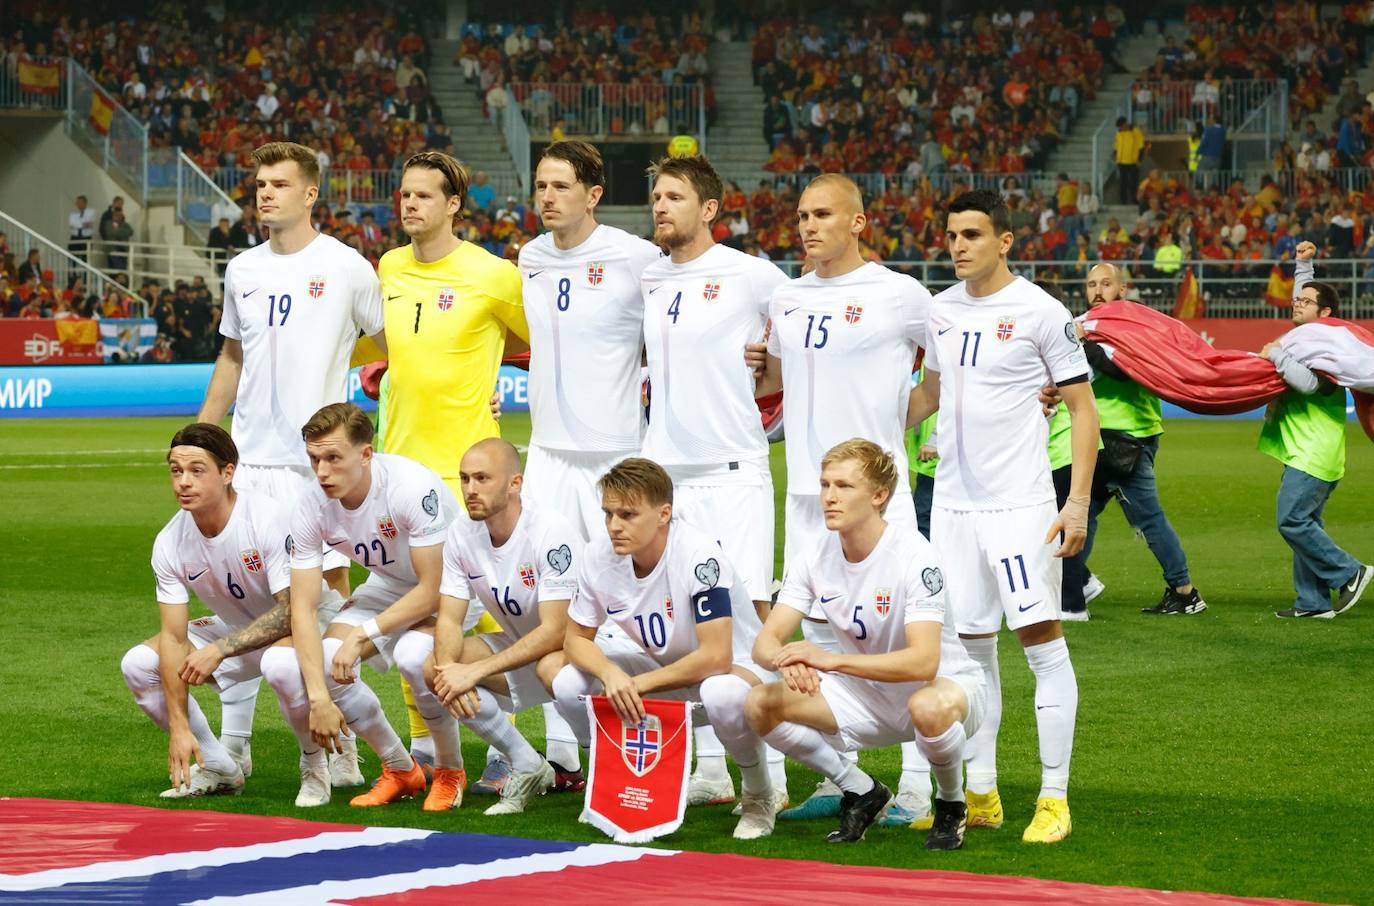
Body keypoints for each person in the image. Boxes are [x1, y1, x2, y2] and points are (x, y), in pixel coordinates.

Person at [905, 189, 1098, 844]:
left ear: (1006, 240)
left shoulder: (1042, 313)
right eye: (952, 234)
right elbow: (931, 390)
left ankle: (1053, 796)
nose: (958, 245)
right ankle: (981, 792)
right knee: (965, 651)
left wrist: (1076, 504)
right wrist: (876, 426)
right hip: (953, 509)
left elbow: (1083, 410)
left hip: (1019, 506)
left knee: (1041, 646)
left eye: (972, 234)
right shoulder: (940, 311)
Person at [197, 141, 386, 789]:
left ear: (311, 194)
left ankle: (344, 746)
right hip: (249, 467)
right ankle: (234, 751)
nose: (264, 193)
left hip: (319, 469)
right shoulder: (242, 269)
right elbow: (232, 358)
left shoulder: (347, 267)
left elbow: (391, 348)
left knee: (329, 605)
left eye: (279, 183)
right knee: (241, 609)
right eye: (258, 183)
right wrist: (204, 439)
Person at [749, 174, 936, 827]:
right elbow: (772, 375)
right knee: (817, 641)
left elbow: (937, 379)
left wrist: (893, 430)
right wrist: (757, 364)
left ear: (859, 222)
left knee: (896, 631)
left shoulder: (901, 294)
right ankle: (842, 778)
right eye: (802, 215)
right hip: (807, 493)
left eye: (823, 214)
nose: (808, 226)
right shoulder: (787, 296)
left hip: (878, 499)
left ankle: (918, 785)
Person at [503, 141, 661, 794]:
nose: (547, 196)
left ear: (593, 195)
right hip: (547, 455)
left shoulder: (636, 258)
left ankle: (663, 744)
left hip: (616, 457)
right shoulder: (529, 258)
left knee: (623, 602)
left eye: (561, 186)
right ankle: (565, 753)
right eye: (540, 185)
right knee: (547, 596)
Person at [640, 155, 790, 807]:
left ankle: (774, 776)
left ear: (710, 210)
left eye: (674, 196)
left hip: (733, 475)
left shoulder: (753, 275)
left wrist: (771, 368)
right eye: (656, 196)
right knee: (686, 623)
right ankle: (707, 770)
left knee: (752, 618)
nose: (660, 206)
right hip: (666, 480)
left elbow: (801, 353)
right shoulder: (646, 277)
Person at [746, 440, 985, 849]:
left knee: (927, 706)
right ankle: (860, 789)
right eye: (824, 485)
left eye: (843, 486)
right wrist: (787, 661)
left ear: (879, 496)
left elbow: (923, 663)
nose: (829, 497)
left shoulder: (914, 555)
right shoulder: (813, 556)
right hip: (864, 696)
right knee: (758, 703)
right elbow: (765, 642)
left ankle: (950, 802)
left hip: (942, 688)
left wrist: (827, 661)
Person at [376, 150, 528, 772]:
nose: (409, 205)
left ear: (453, 205)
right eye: (404, 195)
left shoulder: (492, 275)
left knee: (477, 618)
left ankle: (501, 742)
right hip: (399, 471)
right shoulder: (387, 266)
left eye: (422, 196)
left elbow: (534, 340)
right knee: (414, 627)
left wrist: (500, 373)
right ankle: (425, 745)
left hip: (465, 477)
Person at [550, 458, 782, 840]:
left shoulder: (698, 555)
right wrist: (611, 674)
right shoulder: (597, 556)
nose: (614, 526)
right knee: (568, 682)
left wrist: (637, 684)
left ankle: (759, 794)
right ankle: (608, 783)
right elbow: (574, 638)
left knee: (720, 691)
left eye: (627, 514)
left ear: (664, 514)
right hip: (668, 669)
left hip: (740, 671)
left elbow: (716, 657)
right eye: (608, 513)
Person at [272, 402, 483, 811]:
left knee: (412, 656)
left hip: (453, 589)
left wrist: (365, 635)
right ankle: (401, 768)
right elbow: (302, 606)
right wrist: (318, 698)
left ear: (366, 454)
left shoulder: (409, 487)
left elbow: (432, 587)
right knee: (331, 659)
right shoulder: (309, 505)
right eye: (314, 458)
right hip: (387, 586)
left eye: (334, 458)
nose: (322, 471)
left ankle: (450, 771)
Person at [120, 424, 336, 805]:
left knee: (281, 664)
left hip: (312, 627)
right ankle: (219, 765)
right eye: (176, 471)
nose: (183, 482)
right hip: (240, 632)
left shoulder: (267, 517)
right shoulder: (170, 541)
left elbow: (292, 612)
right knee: (138, 663)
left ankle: (315, 767)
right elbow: (173, 637)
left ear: (228, 472)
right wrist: (179, 726)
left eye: (197, 470)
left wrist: (219, 649)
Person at [425, 439, 638, 813]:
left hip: (582, 650)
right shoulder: (461, 532)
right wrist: (448, 674)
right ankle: (526, 764)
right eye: (464, 479)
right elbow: (449, 617)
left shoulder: (549, 531)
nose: (470, 489)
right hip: (520, 647)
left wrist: (473, 671)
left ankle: (609, 770)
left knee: (552, 667)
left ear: (514, 483)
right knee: (432, 667)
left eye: (482, 478)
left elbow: (557, 631)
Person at [1079, 264, 1205, 615]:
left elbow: (1124, 370)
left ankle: (1185, 591)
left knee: (1147, 518)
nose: (1098, 290)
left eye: (1106, 283)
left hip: (1128, 439)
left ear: (1122, 288)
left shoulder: (1132, 325)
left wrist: (1083, 346)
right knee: (1082, 513)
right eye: (1092, 284)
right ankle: (1072, 583)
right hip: (1106, 437)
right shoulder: (1090, 324)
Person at [1260, 241, 1372, 618]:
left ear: (1325, 313)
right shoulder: (1317, 341)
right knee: (1306, 523)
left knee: (1290, 520)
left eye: (1306, 302)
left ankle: (1349, 571)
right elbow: (1308, 305)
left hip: (1313, 452)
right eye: (1298, 300)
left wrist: (1276, 353)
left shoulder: (1327, 348)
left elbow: (1309, 384)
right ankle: (1312, 602)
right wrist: (1303, 266)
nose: (1297, 303)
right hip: (1310, 450)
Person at [1113, 117, 1145, 206]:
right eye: (1119, 127)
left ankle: (1134, 200)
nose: (1121, 128)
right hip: (1121, 161)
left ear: (1125, 124)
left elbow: (1141, 146)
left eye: (1122, 126)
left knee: (1133, 182)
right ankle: (1123, 201)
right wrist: (1115, 154)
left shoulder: (1135, 131)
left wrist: (1139, 159)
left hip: (1133, 161)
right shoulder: (1118, 133)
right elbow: (1116, 145)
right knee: (1123, 182)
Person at [68, 195, 97, 261]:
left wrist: (78, 224)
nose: (78, 204)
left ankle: (84, 271)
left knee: (85, 258)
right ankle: (73, 271)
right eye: (77, 202)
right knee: (72, 257)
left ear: (85, 203)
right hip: (75, 237)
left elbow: (90, 224)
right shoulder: (73, 214)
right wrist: (83, 224)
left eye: (80, 202)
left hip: (86, 237)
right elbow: (72, 224)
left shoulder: (91, 212)